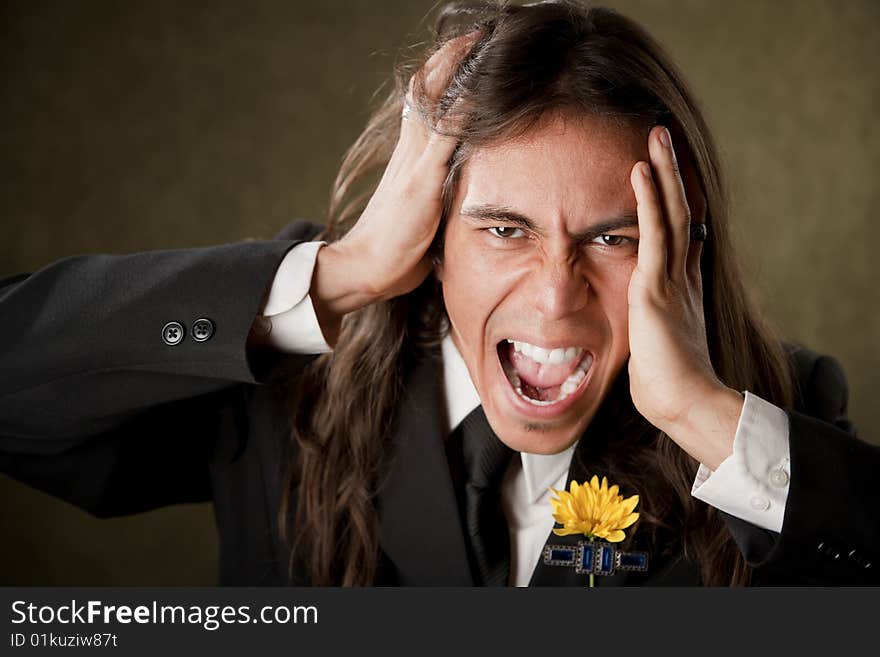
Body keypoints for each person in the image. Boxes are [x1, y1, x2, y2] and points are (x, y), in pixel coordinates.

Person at [0, 0, 877, 587]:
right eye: (504, 227)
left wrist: (699, 413)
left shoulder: (767, 430)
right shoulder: (284, 381)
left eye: (614, 237)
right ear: (431, 235)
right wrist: (343, 274)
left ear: (682, 248)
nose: (554, 293)